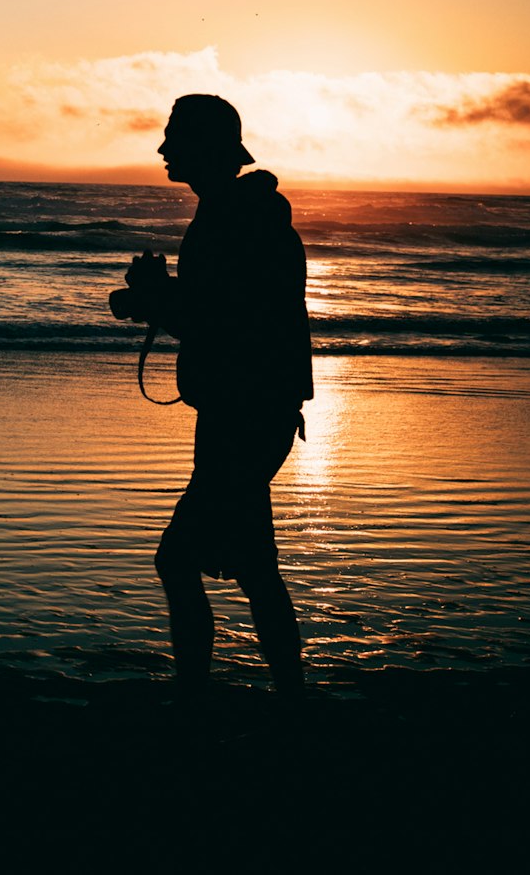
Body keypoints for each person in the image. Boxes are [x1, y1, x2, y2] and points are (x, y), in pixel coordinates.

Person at [109, 94, 313, 695]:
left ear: (205, 147)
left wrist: (150, 299)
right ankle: (289, 700)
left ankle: (196, 699)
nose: (163, 148)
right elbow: (223, 311)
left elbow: (220, 325)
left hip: (243, 418)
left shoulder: (232, 219)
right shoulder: (238, 214)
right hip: (251, 414)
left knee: (178, 560)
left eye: (175, 136)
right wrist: (158, 294)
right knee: (254, 569)